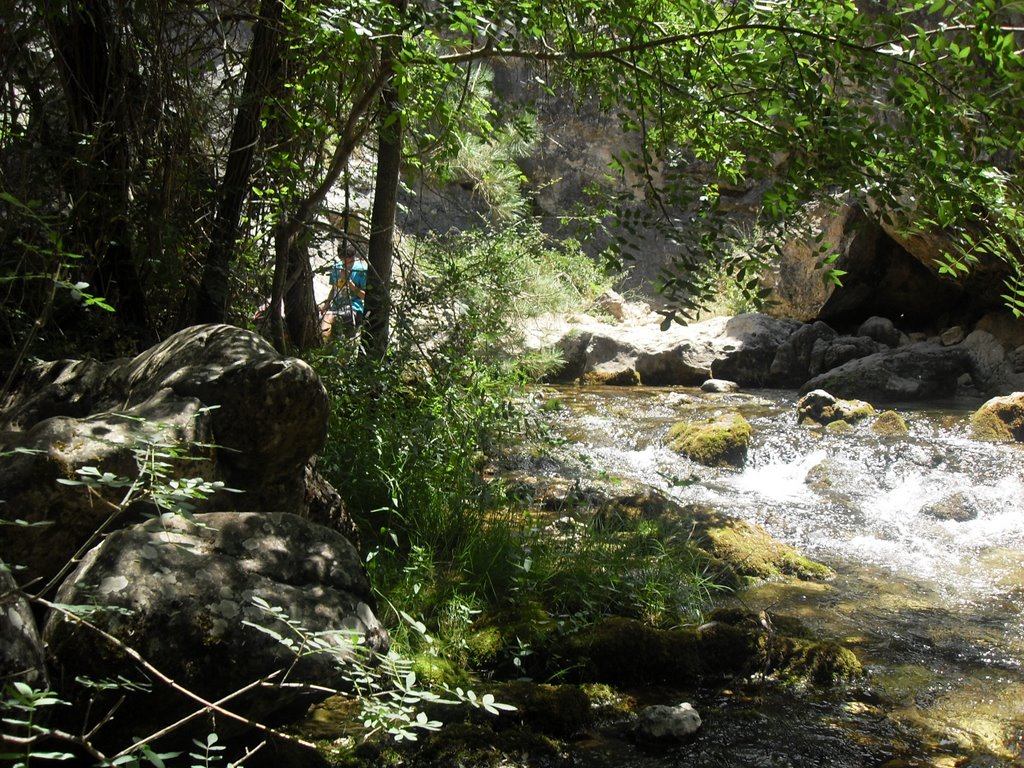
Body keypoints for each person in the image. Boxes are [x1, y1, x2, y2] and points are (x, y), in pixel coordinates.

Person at [325, 245, 368, 338]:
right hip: (336, 307)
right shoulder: (336, 268)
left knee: (328, 318)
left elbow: (366, 297)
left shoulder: (361, 271)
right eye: (345, 262)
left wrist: (351, 286)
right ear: (340, 258)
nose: (348, 265)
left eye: (351, 261)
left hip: (354, 309)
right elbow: (333, 289)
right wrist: (327, 303)